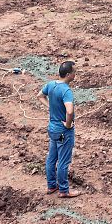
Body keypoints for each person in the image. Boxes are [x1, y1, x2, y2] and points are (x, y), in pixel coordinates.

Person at [39, 61, 80, 198]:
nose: (75, 74)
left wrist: (50, 107)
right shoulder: (66, 91)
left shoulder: (51, 85)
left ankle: (51, 185)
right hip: (63, 132)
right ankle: (64, 190)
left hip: (53, 129)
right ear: (68, 75)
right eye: (74, 72)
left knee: (52, 158)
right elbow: (70, 111)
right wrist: (68, 125)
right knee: (63, 161)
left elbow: (40, 96)